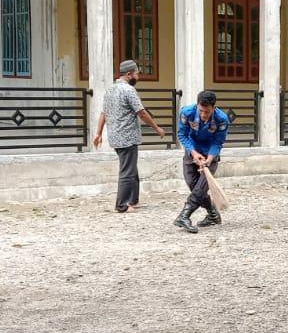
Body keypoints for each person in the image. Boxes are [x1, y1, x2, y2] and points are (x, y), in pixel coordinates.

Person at [92, 59, 164, 213]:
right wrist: (157, 128)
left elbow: (103, 113)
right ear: (129, 74)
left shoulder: (110, 90)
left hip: (115, 137)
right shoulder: (129, 90)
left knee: (131, 168)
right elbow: (142, 112)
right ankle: (122, 205)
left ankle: (133, 199)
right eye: (137, 74)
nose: (138, 77)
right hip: (127, 137)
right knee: (127, 171)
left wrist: (98, 133)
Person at [174, 90, 230, 234]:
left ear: (214, 107)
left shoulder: (222, 119)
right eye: (201, 111)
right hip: (191, 150)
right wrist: (193, 152)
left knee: (201, 187)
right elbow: (182, 134)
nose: (204, 115)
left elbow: (218, 142)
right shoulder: (186, 113)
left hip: (210, 154)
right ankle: (213, 214)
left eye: (207, 111)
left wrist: (209, 159)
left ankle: (184, 215)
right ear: (197, 105)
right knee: (193, 184)